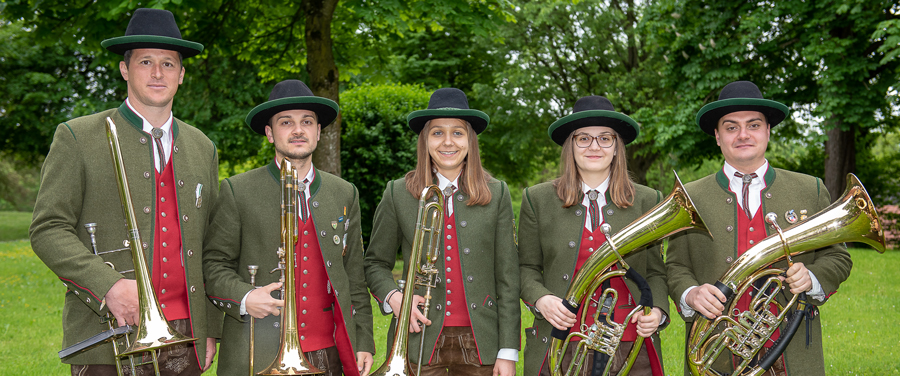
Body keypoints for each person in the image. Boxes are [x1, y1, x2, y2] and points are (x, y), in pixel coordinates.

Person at [29, 8, 220, 375]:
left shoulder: (202, 146)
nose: (157, 73)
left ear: (181, 74)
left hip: (186, 334)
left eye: (168, 63)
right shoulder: (77, 137)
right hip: (108, 331)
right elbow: (48, 228)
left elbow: (211, 246)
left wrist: (210, 328)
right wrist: (109, 287)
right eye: (145, 61)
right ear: (124, 69)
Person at [666, 81, 853, 376]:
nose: (743, 135)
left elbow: (838, 257)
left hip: (790, 348)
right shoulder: (689, 196)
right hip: (715, 349)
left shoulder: (809, 189)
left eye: (753, 125)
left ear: (767, 131)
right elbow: (676, 265)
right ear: (717, 136)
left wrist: (812, 277)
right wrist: (690, 294)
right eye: (731, 127)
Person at [202, 79, 375, 376]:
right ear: (270, 133)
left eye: (307, 122)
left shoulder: (345, 193)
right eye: (286, 122)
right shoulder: (237, 190)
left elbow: (353, 275)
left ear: (318, 132)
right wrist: (245, 297)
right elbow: (213, 266)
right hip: (258, 353)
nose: (298, 130)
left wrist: (363, 341)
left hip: (327, 353)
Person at [364, 88, 520, 376]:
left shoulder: (497, 193)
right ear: (425, 140)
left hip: (480, 341)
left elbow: (508, 276)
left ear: (470, 141)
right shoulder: (397, 192)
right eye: (437, 133)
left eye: (458, 133)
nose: (448, 142)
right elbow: (375, 263)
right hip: (417, 339)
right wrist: (394, 298)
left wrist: (508, 351)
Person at [518, 96, 669, 376]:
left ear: (617, 148)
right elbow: (526, 267)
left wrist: (657, 310)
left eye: (605, 138)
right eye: (583, 139)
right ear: (570, 147)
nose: (595, 146)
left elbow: (657, 272)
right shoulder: (537, 199)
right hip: (560, 342)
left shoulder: (648, 200)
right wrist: (541, 299)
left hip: (630, 345)